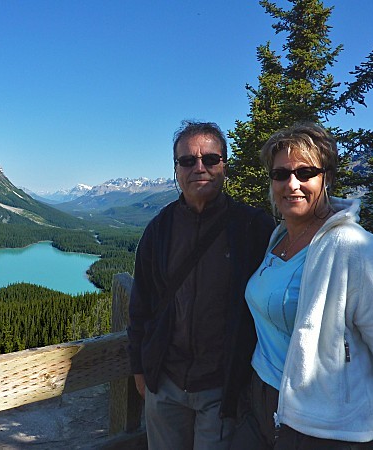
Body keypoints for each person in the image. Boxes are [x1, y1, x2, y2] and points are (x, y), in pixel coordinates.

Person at [231, 122, 373, 449]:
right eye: (280, 174)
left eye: (305, 173)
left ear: (326, 178)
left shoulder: (356, 249)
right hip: (262, 399)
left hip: (322, 426)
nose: (292, 184)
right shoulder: (279, 240)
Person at [127, 120, 275, 449]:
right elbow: (140, 306)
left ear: (224, 166)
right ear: (176, 169)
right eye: (187, 160)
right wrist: (141, 371)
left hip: (222, 388)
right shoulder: (159, 229)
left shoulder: (254, 228)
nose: (199, 168)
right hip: (164, 383)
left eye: (210, 159)